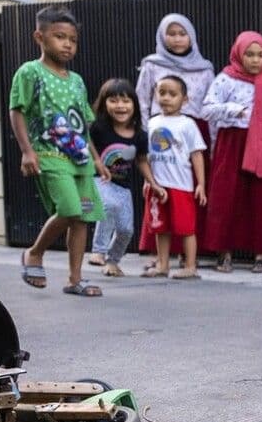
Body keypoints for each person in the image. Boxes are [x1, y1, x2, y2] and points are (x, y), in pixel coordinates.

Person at [10, 5, 109, 298]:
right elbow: (17, 111)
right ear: (39, 37)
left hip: (80, 159)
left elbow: (82, 125)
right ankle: (34, 253)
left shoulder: (76, 81)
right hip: (49, 154)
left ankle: (74, 279)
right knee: (69, 209)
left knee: (82, 218)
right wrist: (27, 151)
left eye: (73, 39)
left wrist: (96, 158)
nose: (67, 44)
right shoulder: (30, 72)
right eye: (60, 37)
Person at [135, 14, 216, 267]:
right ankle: (161, 258)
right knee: (160, 196)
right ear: (162, 36)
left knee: (187, 198)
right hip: (159, 132)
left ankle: (188, 257)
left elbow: (210, 104)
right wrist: (145, 134)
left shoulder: (205, 67)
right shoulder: (152, 64)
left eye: (183, 33)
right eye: (171, 33)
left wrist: (212, 140)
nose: (178, 38)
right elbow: (142, 99)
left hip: (192, 131)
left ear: (191, 35)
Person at [202, 31, 262, 274]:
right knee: (226, 197)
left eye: (261, 55)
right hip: (231, 144)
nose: (256, 60)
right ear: (238, 53)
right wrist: (233, 110)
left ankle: (261, 253)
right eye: (249, 54)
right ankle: (223, 253)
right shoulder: (226, 79)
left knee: (261, 198)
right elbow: (206, 109)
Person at [141, 76, 207, 279]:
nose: (166, 98)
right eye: (162, 93)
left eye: (172, 94)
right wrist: (148, 180)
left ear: (184, 99)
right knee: (161, 227)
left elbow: (197, 154)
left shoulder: (187, 124)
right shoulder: (152, 123)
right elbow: (147, 156)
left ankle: (190, 266)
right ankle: (163, 264)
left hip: (181, 186)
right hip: (159, 186)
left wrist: (201, 184)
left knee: (187, 228)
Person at [87, 78, 148, 278]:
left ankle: (113, 262)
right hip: (100, 180)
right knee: (108, 205)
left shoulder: (139, 135)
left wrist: (153, 182)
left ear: (134, 105)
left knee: (126, 230)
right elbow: (86, 141)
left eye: (125, 101)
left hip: (124, 188)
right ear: (104, 103)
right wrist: (96, 161)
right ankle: (99, 250)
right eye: (113, 100)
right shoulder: (98, 128)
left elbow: (141, 161)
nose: (120, 106)